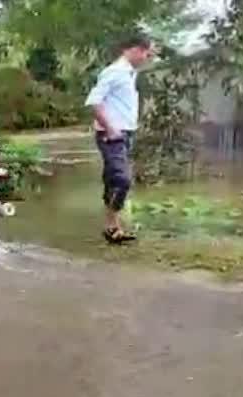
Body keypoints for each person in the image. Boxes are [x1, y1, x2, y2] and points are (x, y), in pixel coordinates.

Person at [86, 34, 153, 244]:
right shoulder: (115, 72)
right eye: (145, 52)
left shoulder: (129, 73)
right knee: (122, 180)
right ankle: (111, 224)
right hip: (112, 135)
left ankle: (113, 228)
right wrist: (111, 129)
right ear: (133, 49)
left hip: (125, 132)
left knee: (112, 180)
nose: (146, 57)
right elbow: (93, 102)